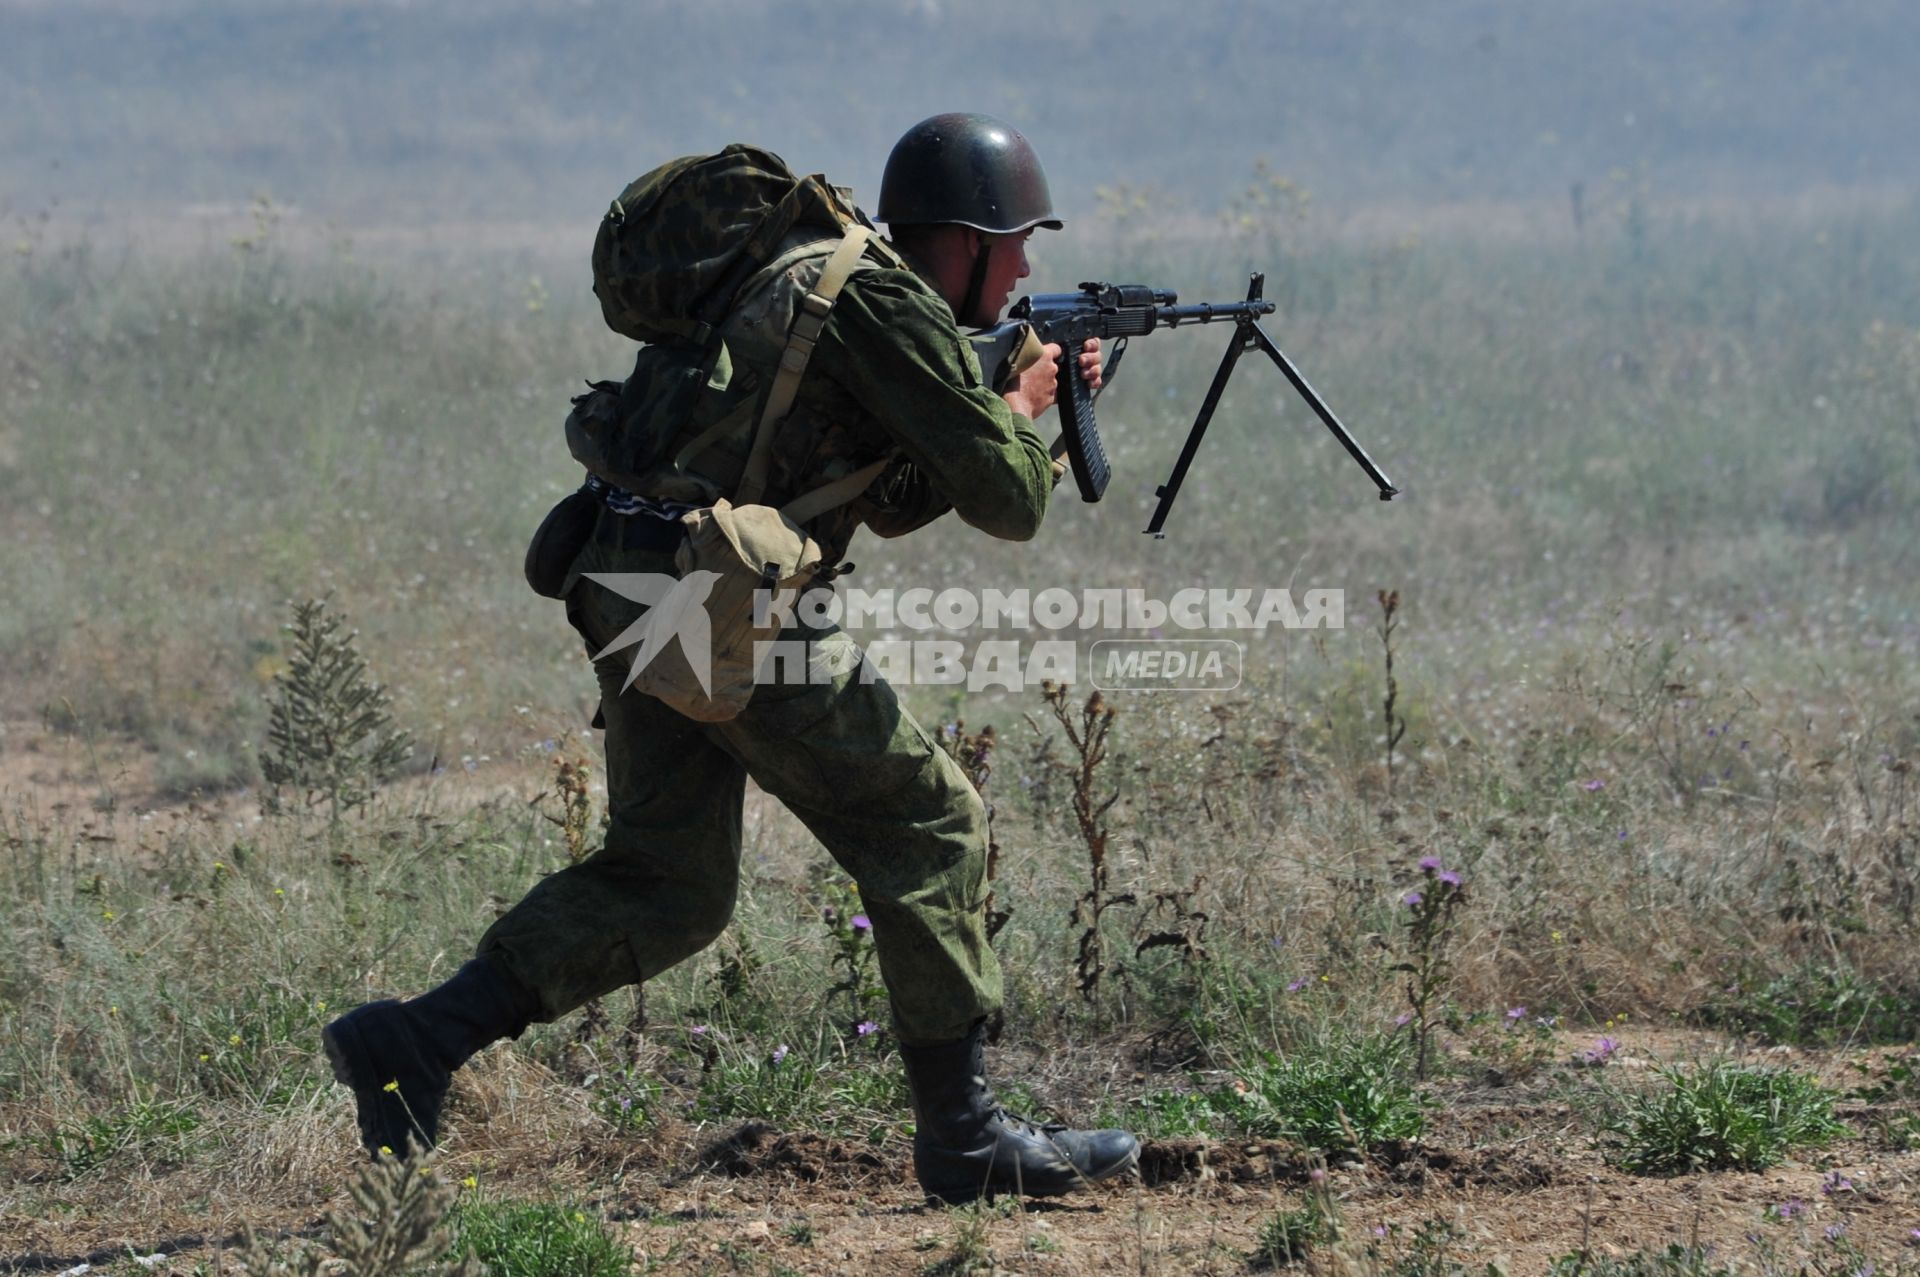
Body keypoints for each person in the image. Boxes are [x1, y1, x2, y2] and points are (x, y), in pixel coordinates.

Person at [323, 113, 1139, 1204]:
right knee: (930, 823)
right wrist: (1023, 407)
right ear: (966, 241)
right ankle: (965, 1136)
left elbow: (884, 499)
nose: (1029, 265)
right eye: (1017, 240)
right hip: (718, 599)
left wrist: (988, 402)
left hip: (634, 576)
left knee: (669, 882)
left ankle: (413, 1039)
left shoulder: (817, 278)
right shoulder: (881, 299)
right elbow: (1012, 500)